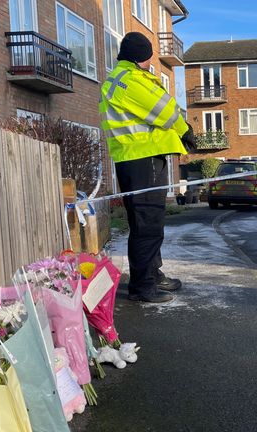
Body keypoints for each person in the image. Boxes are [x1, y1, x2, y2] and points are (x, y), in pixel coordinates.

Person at [99, 32, 195, 303]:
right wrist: (186, 130)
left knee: (145, 222)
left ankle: (153, 274)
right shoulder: (131, 80)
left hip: (133, 159)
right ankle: (143, 287)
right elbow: (166, 111)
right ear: (144, 56)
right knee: (148, 224)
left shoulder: (116, 80)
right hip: (144, 158)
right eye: (149, 55)